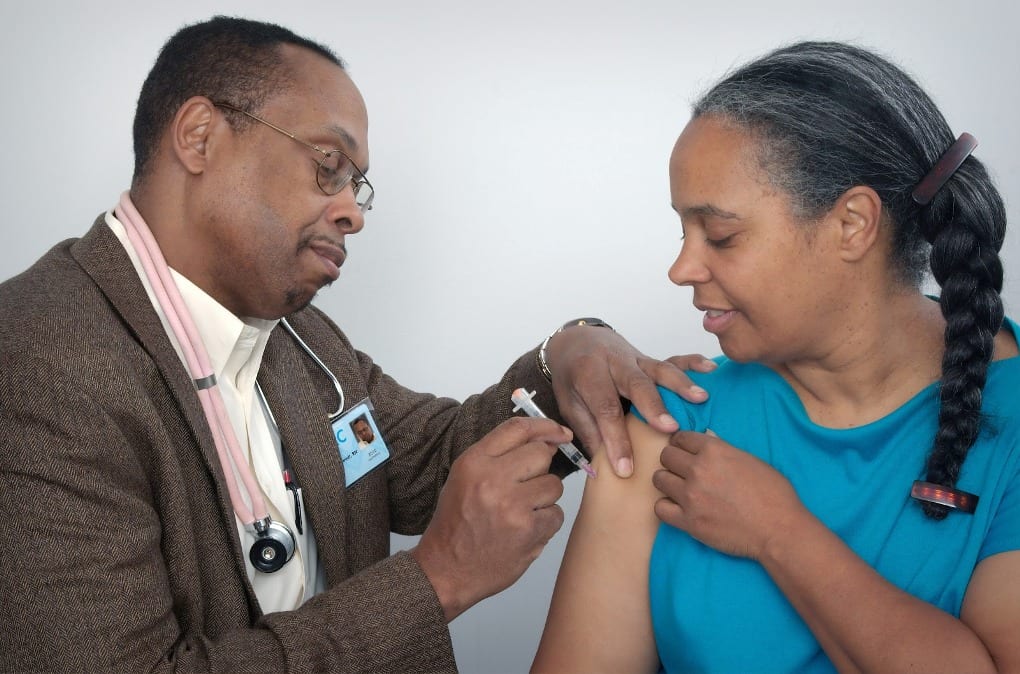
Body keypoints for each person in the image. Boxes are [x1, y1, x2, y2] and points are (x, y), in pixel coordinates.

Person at [0, 16, 712, 673]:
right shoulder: (36, 362)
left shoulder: (299, 340)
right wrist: (437, 581)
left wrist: (568, 358)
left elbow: (432, 460)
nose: (351, 212)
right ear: (200, 137)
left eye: (356, 185)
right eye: (327, 165)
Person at [532, 41, 1020, 673]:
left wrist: (779, 533)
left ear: (852, 224)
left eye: (722, 235)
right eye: (682, 230)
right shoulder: (670, 425)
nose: (681, 268)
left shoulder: (1008, 419)